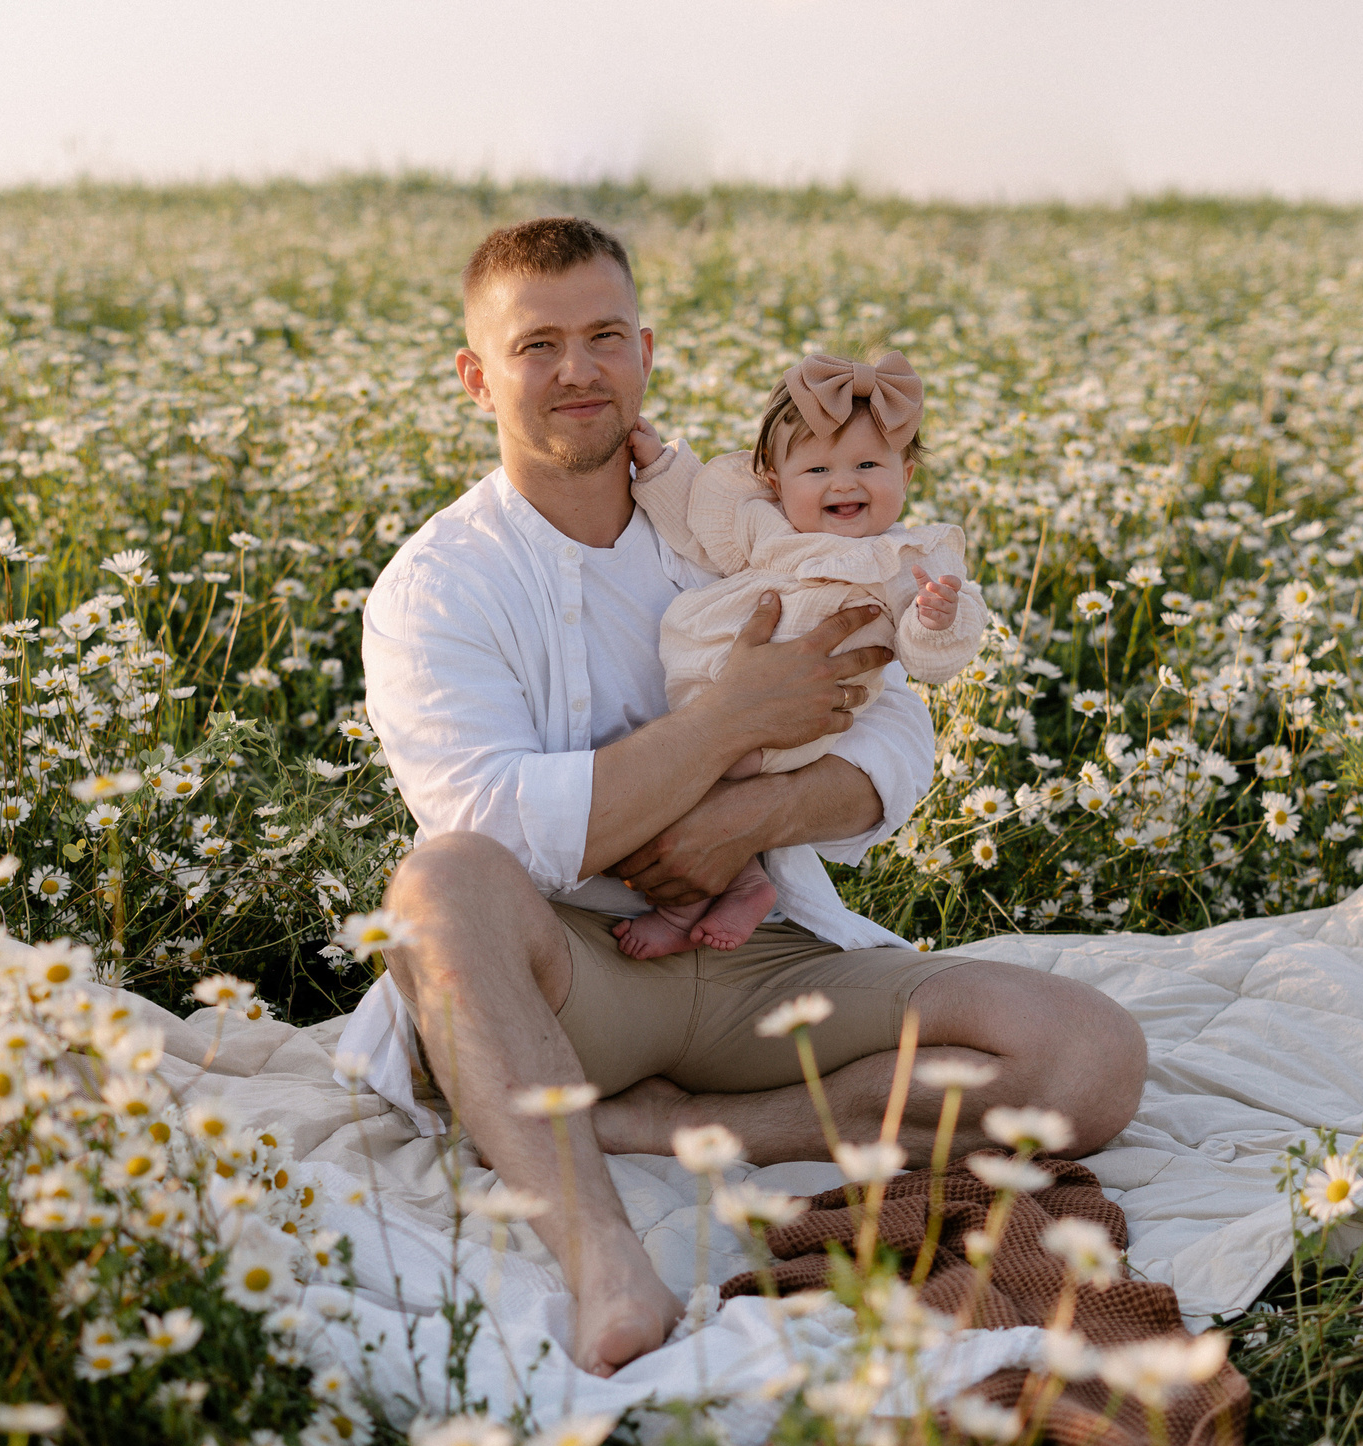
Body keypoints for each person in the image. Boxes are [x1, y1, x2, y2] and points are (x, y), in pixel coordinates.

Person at [342, 216, 1146, 1376]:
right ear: (476, 377)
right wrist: (728, 721)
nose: (577, 370)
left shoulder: (724, 527)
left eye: (604, 336)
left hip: (761, 957)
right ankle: (603, 1259)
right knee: (436, 885)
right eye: (536, 346)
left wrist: (755, 816)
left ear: (645, 352)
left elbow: (895, 734)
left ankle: (679, 1127)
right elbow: (497, 829)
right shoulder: (439, 584)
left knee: (1087, 1055)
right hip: (571, 977)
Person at [610, 349, 988, 959]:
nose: (844, 482)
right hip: (712, 683)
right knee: (683, 762)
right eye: (816, 469)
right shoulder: (766, 528)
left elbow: (928, 660)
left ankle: (687, 907)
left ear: (907, 476)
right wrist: (658, 466)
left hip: (803, 716)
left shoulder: (906, 560)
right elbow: (696, 525)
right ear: (774, 481)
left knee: (706, 768)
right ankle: (746, 883)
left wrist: (935, 619)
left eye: (868, 464)